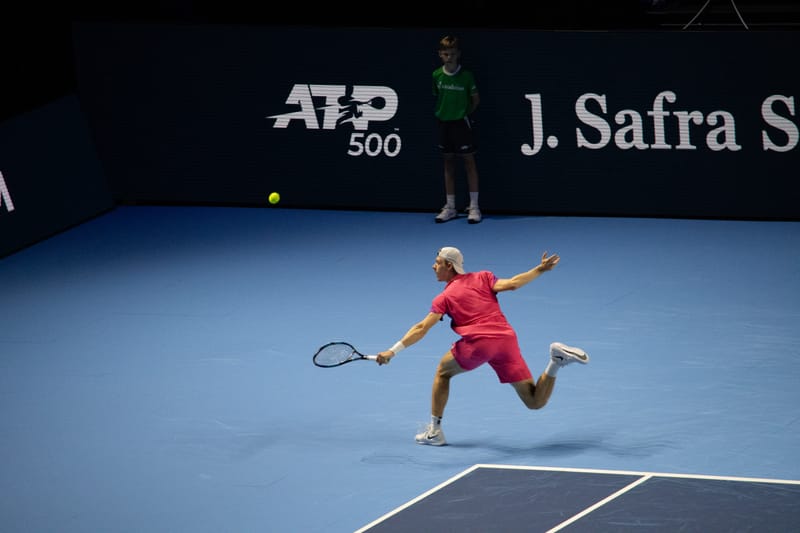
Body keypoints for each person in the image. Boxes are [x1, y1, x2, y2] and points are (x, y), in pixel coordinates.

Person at [376, 246, 589, 446]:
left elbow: (421, 328)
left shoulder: (444, 298)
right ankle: (556, 361)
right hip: (507, 341)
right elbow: (513, 283)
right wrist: (540, 269)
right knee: (535, 401)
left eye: (437, 262)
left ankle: (435, 432)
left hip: (479, 344)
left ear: (449, 265)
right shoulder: (483, 277)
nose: (433, 266)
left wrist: (392, 351)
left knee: (443, 372)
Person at [432, 35, 482, 224]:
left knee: (469, 163)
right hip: (443, 124)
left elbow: (475, 100)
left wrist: (463, 113)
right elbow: (437, 97)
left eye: (452, 53)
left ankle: (474, 207)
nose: (449, 57)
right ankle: (451, 207)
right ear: (440, 55)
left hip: (462, 124)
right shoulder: (436, 75)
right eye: (446, 54)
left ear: (458, 54)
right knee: (448, 164)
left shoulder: (467, 76)